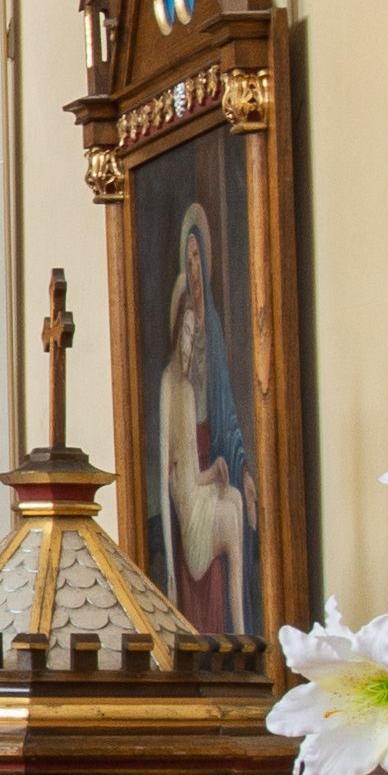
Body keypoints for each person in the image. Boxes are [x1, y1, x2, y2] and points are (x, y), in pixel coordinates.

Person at [157, 200, 253, 635]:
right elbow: (171, 473)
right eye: (190, 257)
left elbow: (226, 406)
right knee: (231, 514)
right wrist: (169, 574)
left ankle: (241, 631)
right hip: (191, 502)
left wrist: (239, 471)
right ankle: (241, 633)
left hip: (201, 481)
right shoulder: (171, 385)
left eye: (200, 257)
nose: (195, 266)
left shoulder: (208, 332)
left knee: (234, 502)